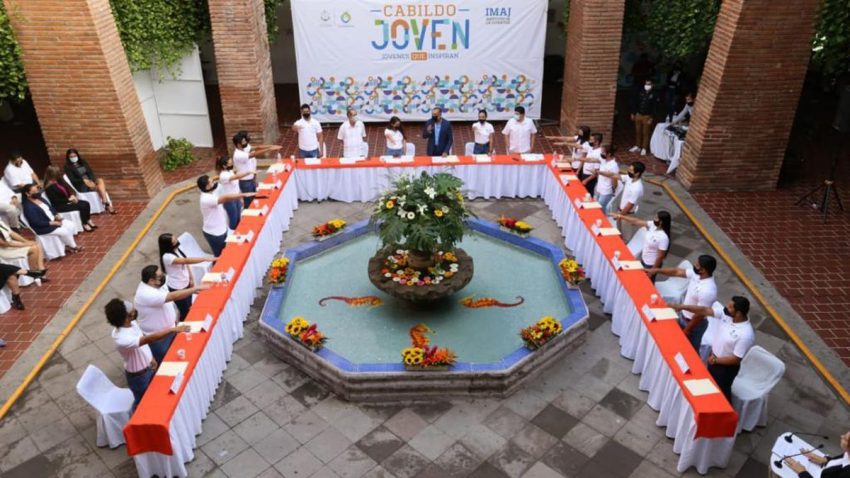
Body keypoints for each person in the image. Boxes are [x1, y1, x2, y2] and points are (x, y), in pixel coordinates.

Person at [106, 298, 190, 409]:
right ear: (125, 318)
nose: (134, 311)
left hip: (148, 367)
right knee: (142, 404)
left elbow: (142, 340)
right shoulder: (121, 339)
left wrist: (151, 358)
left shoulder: (132, 323)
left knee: (153, 397)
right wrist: (172, 330)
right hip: (139, 376)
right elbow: (148, 339)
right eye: (131, 311)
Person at [669, 296, 754, 400]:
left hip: (724, 369)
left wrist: (715, 360)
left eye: (730, 307)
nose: (726, 307)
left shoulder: (746, 335)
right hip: (713, 359)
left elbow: (736, 359)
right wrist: (682, 307)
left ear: (739, 313)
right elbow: (704, 310)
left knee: (721, 394)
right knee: (709, 389)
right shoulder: (727, 315)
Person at [134, 265, 206, 364]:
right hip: (159, 337)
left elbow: (168, 299)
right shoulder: (146, 294)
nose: (163, 276)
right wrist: (193, 290)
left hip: (172, 329)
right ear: (151, 280)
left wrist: (175, 315)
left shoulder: (158, 283)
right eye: (160, 276)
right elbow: (172, 296)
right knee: (167, 361)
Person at [647, 255, 718, 353]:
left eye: (697, 265)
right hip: (683, 317)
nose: (694, 265)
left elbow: (699, 314)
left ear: (703, 270)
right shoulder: (697, 274)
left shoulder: (708, 291)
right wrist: (656, 270)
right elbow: (677, 272)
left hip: (694, 325)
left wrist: (687, 330)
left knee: (689, 351)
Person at [159, 233, 213, 321]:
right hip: (178, 287)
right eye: (174, 242)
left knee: (189, 306)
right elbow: (185, 260)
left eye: (175, 239)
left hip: (186, 282)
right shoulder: (167, 257)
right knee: (185, 311)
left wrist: (191, 278)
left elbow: (186, 263)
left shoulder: (176, 249)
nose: (177, 242)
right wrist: (204, 259)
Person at [197, 175, 254, 257]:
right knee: (220, 256)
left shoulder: (211, 193)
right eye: (212, 182)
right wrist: (243, 195)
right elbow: (225, 198)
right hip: (214, 233)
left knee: (225, 252)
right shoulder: (206, 199)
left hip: (221, 229)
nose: (214, 183)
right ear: (207, 187)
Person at [21, 183, 80, 254]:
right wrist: (52, 223)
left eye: (37, 190)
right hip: (43, 226)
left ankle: (66, 244)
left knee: (71, 225)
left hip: (53, 220)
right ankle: (74, 247)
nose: (37, 193)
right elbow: (36, 222)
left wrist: (56, 215)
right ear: (27, 194)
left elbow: (50, 208)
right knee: (64, 231)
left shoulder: (40, 199)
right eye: (34, 192)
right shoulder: (28, 207)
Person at [612, 210, 671, 279]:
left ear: (661, 222)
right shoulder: (653, 225)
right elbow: (636, 221)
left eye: (656, 218)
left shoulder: (663, 237)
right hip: (644, 259)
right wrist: (621, 216)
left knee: (647, 281)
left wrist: (652, 271)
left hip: (651, 264)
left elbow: (660, 256)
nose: (654, 219)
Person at [231, 131, 280, 209]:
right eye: (243, 142)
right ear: (238, 144)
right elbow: (253, 154)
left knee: (254, 198)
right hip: (245, 181)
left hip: (251, 178)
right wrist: (269, 149)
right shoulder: (238, 155)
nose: (245, 143)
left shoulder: (244, 148)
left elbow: (257, 147)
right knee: (248, 202)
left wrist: (271, 146)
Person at [43, 166, 96, 232]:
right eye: (58, 174)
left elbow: (66, 190)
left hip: (67, 201)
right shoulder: (49, 187)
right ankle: (84, 223)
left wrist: (72, 196)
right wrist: (69, 200)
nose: (60, 175)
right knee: (82, 206)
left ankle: (88, 220)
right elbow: (56, 201)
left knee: (86, 203)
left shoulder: (59, 181)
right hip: (60, 205)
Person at [64, 148, 116, 214]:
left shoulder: (83, 162)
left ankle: (105, 201)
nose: (73, 158)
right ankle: (107, 205)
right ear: (68, 158)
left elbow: (90, 172)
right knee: (99, 187)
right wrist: (83, 180)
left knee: (100, 180)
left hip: (90, 181)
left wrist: (91, 181)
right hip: (81, 184)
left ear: (77, 155)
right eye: (71, 157)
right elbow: (72, 180)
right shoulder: (67, 167)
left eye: (74, 156)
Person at [786, 430, 850, 478]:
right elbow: (840, 463)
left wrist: (802, 472)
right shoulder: (847, 453)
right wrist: (825, 461)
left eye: (845, 438)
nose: (841, 436)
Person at [215, 156, 253, 231]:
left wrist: (240, 197)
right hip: (230, 200)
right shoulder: (223, 175)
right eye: (230, 163)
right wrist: (247, 173)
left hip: (236, 197)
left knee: (238, 215)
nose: (232, 164)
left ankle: (238, 230)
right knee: (233, 218)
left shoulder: (230, 171)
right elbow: (236, 177)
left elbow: (236, 186)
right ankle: (232, 232)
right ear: (224, 166)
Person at [629, 79, 660, 156]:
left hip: (647, 116)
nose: (647, 86)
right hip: (638, 114)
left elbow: (655, 107)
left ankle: (644, 148)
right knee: (638, 131)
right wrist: (633, 113)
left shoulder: (654, 94)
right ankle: (637, 146)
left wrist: (652, 118)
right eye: (646, 84)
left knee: (645, 133)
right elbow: (635, 102)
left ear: (652, 85)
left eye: (649, 84)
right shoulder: (641, 92)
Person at [590, 145, 620, 212]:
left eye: (603, 152)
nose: (601, 154)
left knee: (601, 208)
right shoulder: (603, 160)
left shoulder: (614, 166)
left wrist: (612, 190)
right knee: (597, 207)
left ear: (609, 154)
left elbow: (614, 182)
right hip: (599, 188)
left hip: (606, 191)